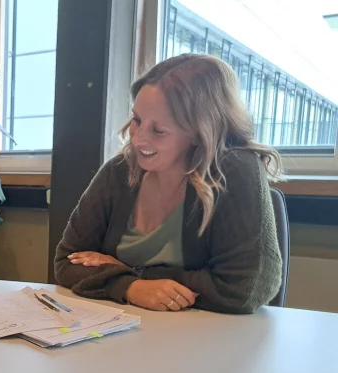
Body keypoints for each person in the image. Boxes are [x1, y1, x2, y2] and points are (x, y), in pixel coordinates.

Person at [54, 53, 283, 314]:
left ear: (200, 133)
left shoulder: (235, 170)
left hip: (208, 341)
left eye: (159, 130)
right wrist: (130, 287)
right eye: (137, 120)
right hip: (122, 334)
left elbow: (245, 288)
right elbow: (67, 262)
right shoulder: (118, 172)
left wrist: (131, 275)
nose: (138, 140)